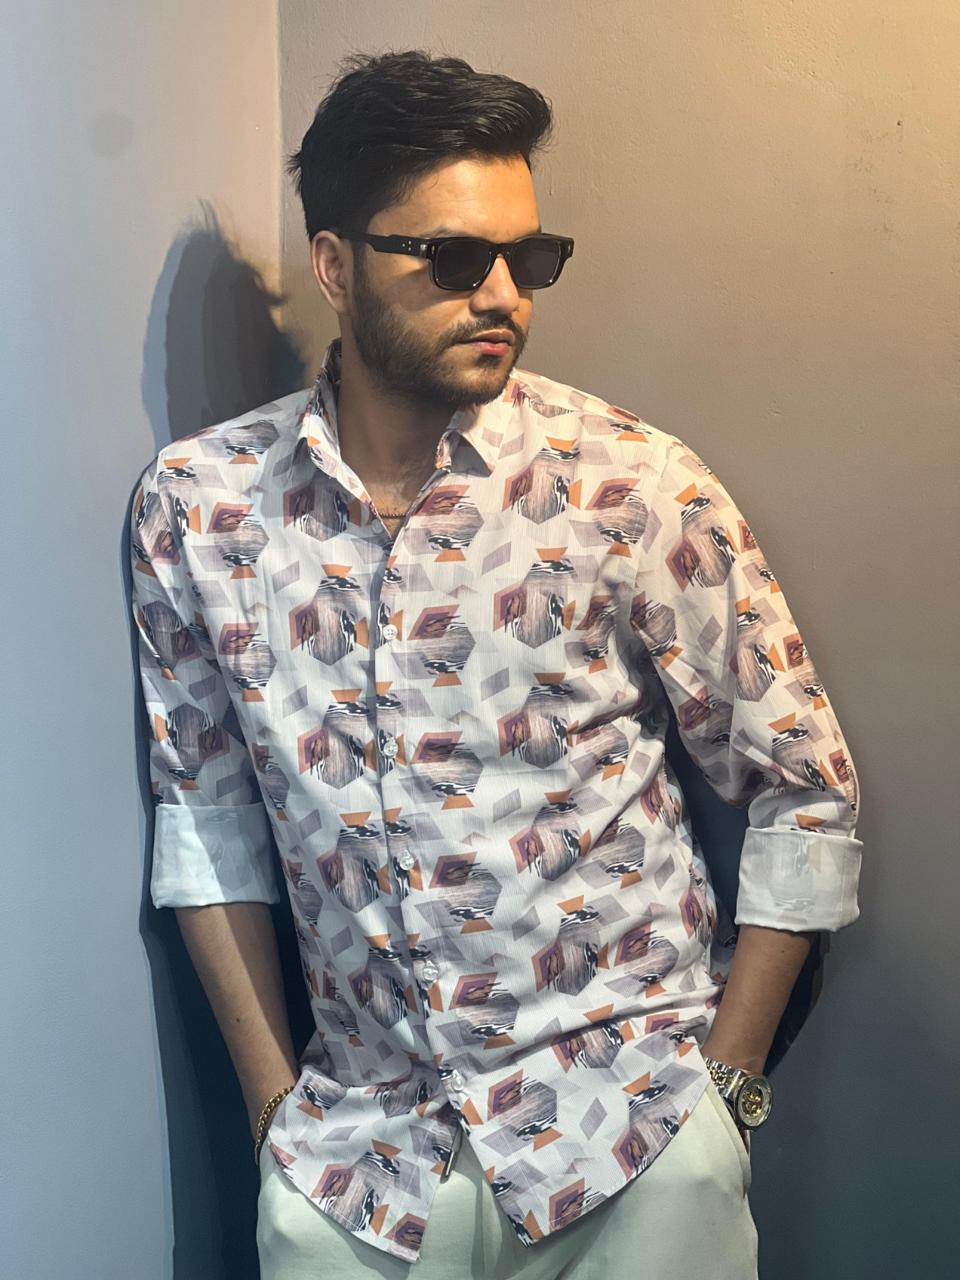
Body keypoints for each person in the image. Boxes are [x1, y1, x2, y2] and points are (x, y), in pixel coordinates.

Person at [129, 50, 863, 1280]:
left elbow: (805, 783)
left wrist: (723, 1103)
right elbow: (206, 821)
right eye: (456, 259)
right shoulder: (202, 510)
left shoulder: (629, 482)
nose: (506, 295)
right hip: (357, 1170)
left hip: (629, 1139)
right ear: (335, 265)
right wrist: (272, 1118)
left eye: (532, 258)